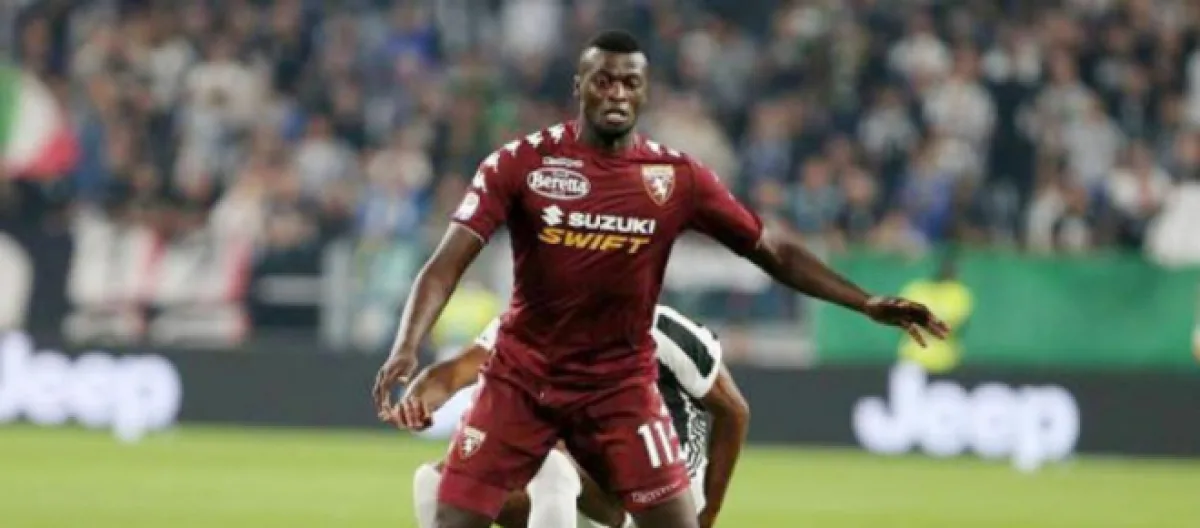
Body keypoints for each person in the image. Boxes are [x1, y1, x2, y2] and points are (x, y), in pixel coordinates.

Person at [373, 29, 948, 528]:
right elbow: (445, 264)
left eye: (630, 83)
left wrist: (863, 301)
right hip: (523, 381)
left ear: (645, 92)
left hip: (619, 387)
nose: (617, 94)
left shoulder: (675, 178)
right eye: (603, 81)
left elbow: (772, 249)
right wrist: (406, 346)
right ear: (579, 87)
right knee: (451, 516)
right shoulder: (520, 163)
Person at [407, 305, 750, 528]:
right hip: (583, 477)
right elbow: (457, 371)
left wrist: (708, 513)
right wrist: (420, 394)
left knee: (551, 462)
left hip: (666, 490)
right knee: (439, 482)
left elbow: (733, 411)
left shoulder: (662, 329)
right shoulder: (523, 323)